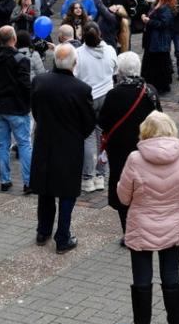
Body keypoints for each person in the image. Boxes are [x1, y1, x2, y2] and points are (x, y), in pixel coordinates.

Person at [118, 112, 179, 324]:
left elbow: (123, 196)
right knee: (171, 277)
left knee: (142, 281)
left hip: (141, 226)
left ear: (145, 132)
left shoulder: (134, 158)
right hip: (172, 223)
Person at [29, 44, 96, 254]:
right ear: (74, 64)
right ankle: (63, 236)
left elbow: (35, 111)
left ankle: (43, 230)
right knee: (67, 192)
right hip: (69, 146)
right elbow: (88, 122)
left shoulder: (39, 81)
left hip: (44, 142)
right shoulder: (81, 88)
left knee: (45, 189)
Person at [98, 52, 161, 239]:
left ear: (120, 71)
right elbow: (159, 118)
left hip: (119, 151)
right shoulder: (150, 92)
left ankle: (128, 232)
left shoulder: (114, 94)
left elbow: (102, 121)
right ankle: (144, 228)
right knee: (144, 188)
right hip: (145, 148)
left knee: (122, 189)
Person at [0, 26, 33, 193]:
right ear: (14, 39)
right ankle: (28, 182)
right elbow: (26, 85)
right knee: (24, 143)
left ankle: (4, 180)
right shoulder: (20, 59)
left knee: (2, 144)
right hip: (18, 108)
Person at [75, 22, 118, 192]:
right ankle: (101, 175)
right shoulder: (110, 50)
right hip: (107, 97)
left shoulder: (78, 54)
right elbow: (115, 70)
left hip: (88, 99)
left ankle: (87, 177)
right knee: (104, 137)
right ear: (100, 33)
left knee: (88, 138)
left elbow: (75, 74)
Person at [141, 0, 176, 93]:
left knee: (159, 63)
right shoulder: (156, 4)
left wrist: (148, 21)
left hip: (159, 40)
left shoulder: (166, 7)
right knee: (151, 61)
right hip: (151, 38)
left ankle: (161, 85)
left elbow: (164, 24)